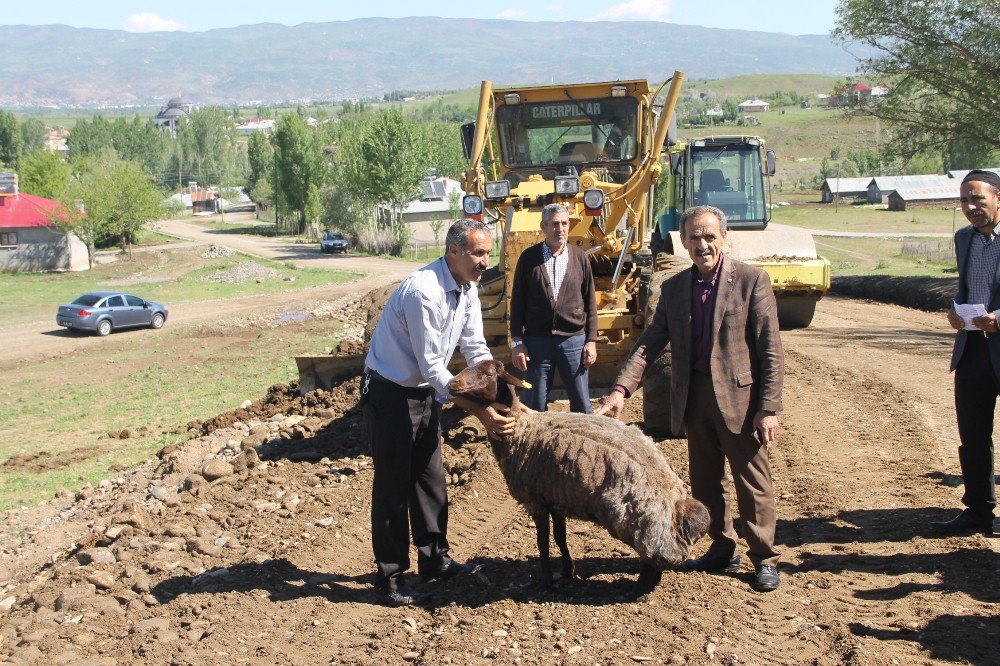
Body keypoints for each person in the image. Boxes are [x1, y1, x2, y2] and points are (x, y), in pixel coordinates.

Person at [595, 204, 784, 592]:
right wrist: (620, 390)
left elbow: (770, 351)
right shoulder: (675, 289)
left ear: (723, 238)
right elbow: (649, 344)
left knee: (753, 483)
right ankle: (722, 546)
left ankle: (764, 557)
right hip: (694, 398)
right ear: (683, 242)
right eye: (694, 237)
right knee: (705, 481)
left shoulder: (751, 280)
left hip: (740, 401)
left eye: (709, 236)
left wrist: (768, 408)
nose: (702, 244)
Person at [362, 218, 516, 607]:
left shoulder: (468, 288)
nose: (486, 261)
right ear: (454, 252)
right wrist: (481, 413)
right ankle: (390, 575)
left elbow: (475, 346)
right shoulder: (423, 293)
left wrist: (495, 385)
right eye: (479, 253)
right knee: (393, 485)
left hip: (423, 391)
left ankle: (434, 560)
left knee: (430, 479)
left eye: (488, 252)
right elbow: (434, 369)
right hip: (391, 391)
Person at [937, 169, 1000, 536]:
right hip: (972, 349)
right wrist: (956, 309)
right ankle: (978, 511)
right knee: (973, 435)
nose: (970, 207)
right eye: (964, 200)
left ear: (997, 198)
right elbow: (966, 288)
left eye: (978, 198)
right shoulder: (964, 239)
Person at [509, 203, 598, 413]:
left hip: (573, 342)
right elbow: (517, 302)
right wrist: (518, 342)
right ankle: (536, 444)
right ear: (543, 227)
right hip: (537, 344)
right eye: (555, 224)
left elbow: (590, 302)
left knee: (582, 403)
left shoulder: (580, 258)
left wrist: (591, 340)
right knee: (533, 400)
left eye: (564, 223)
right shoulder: (528, 258)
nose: (561, 229)